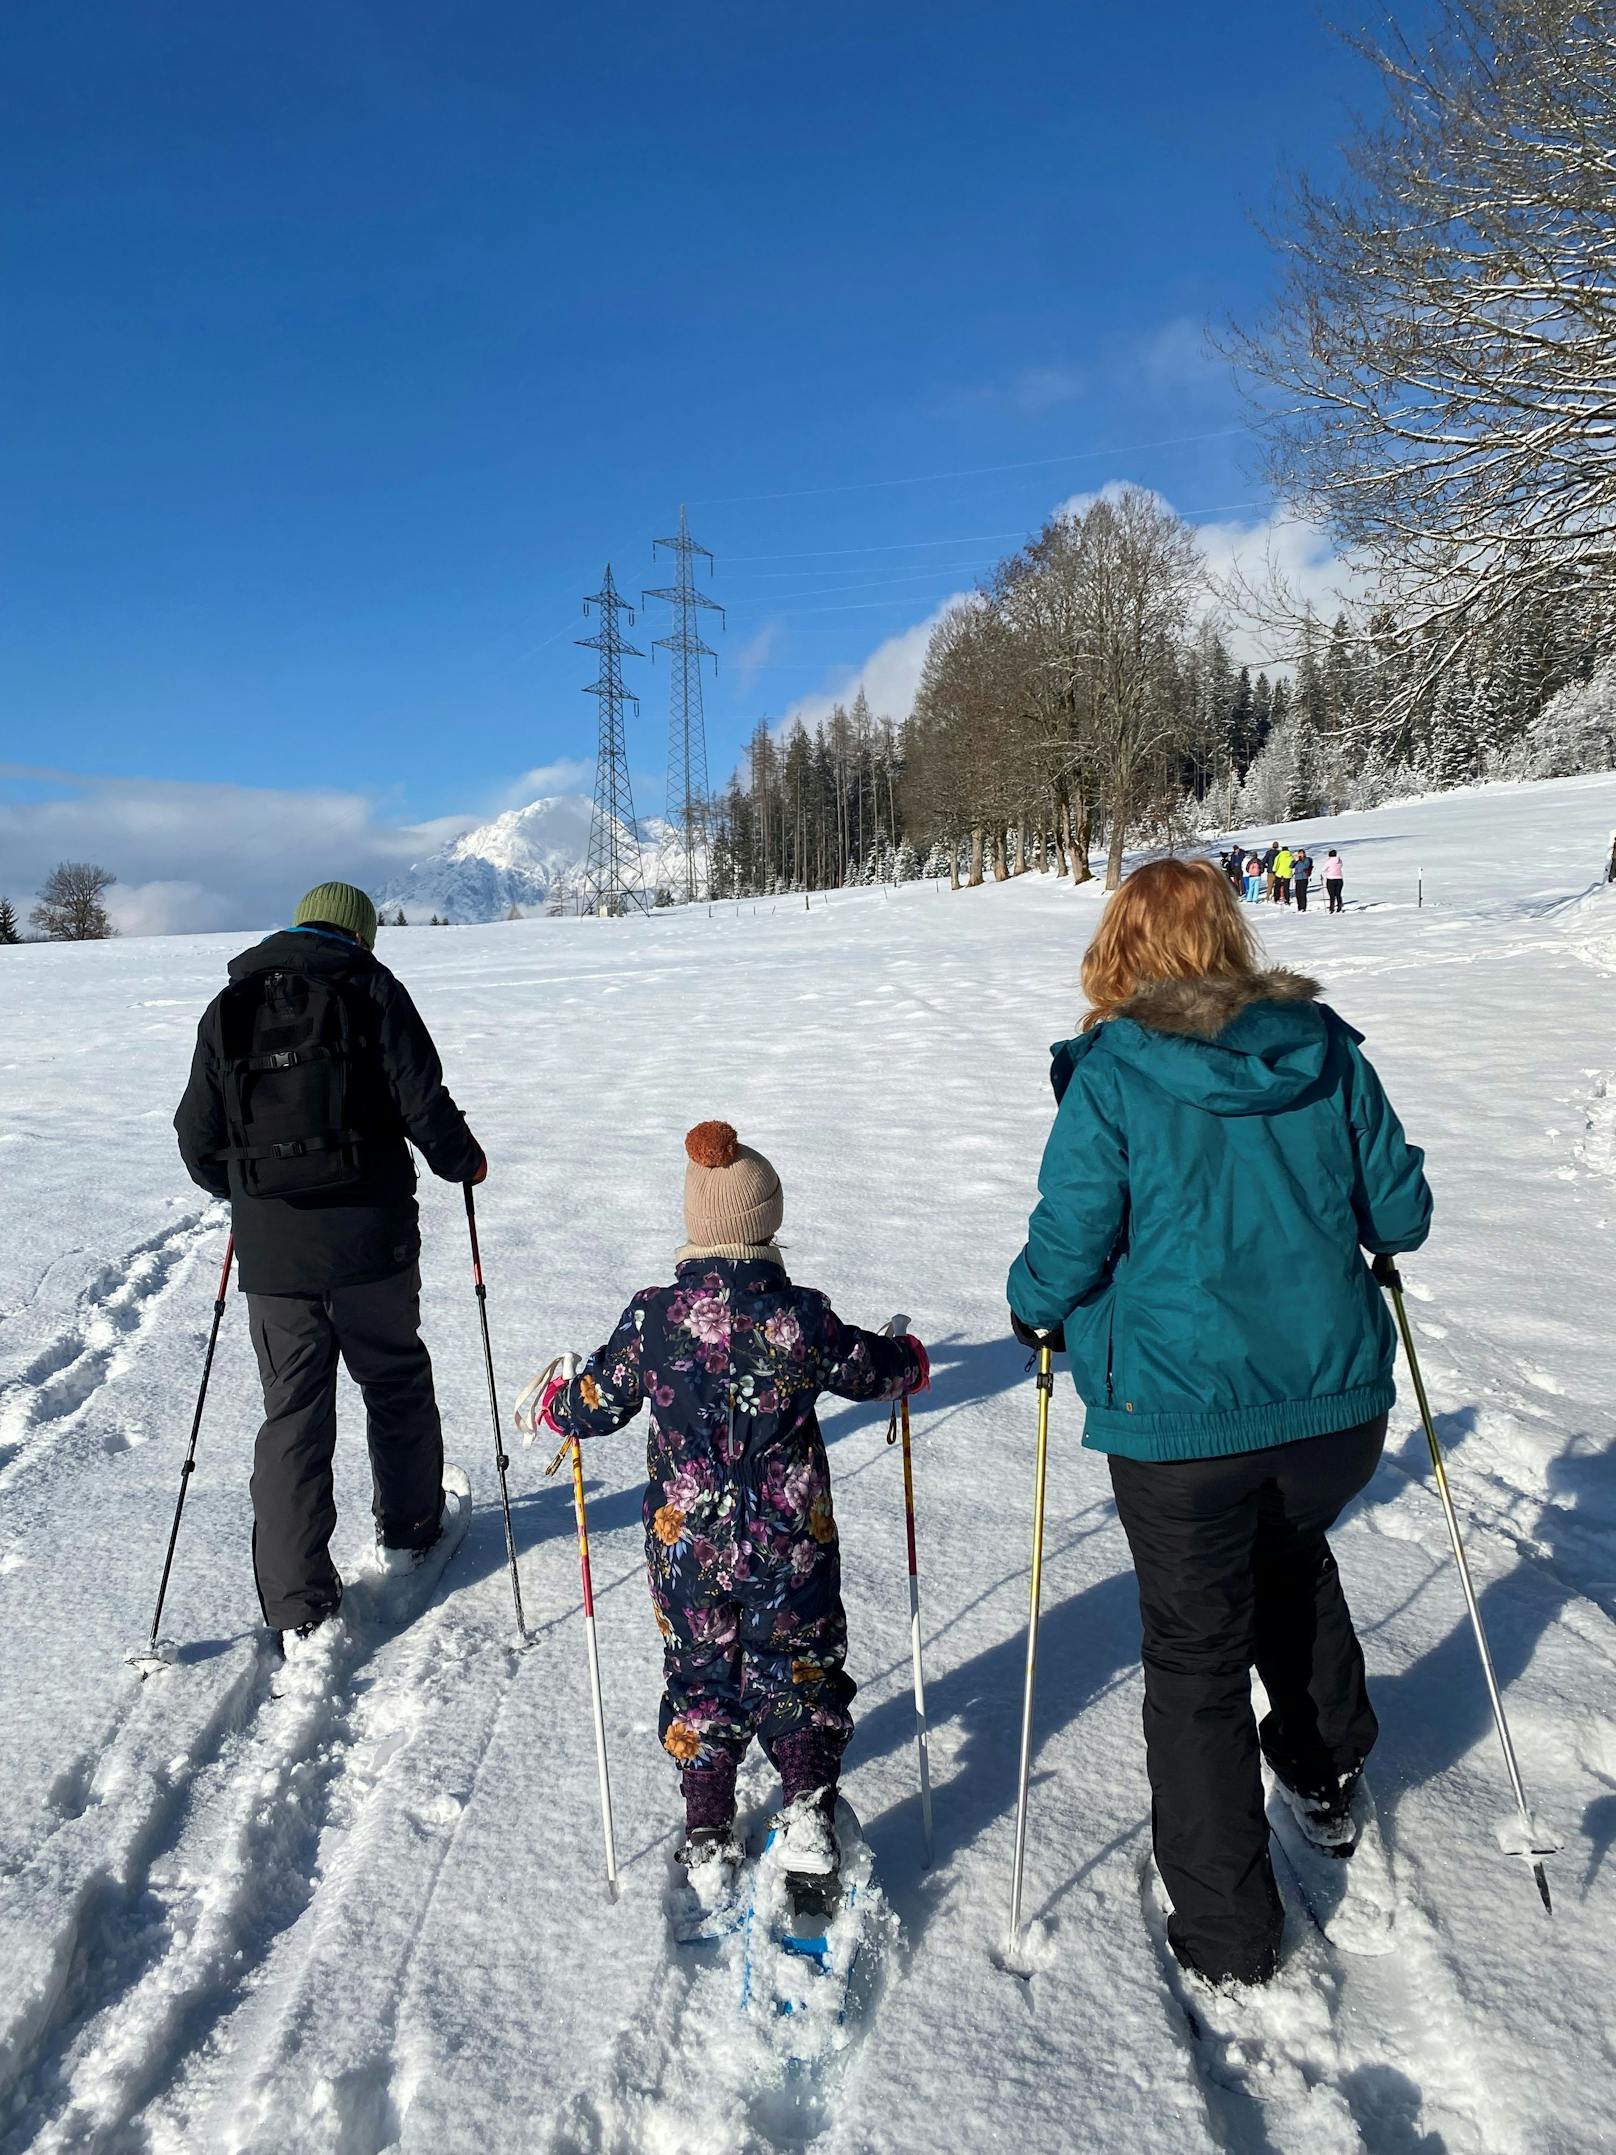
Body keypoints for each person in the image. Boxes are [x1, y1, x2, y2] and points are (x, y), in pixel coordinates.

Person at [1005, 858, 1431, 1990]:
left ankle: (1230, 1933)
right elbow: (1398, 1211)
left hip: (1175, 1415)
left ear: (1120, 949)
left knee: (1194, 1654)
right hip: (1328, 1404)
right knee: (1288, 1560)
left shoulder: (1113, 1070)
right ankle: (1323, 1769)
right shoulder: (1321, 1046)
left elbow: (1074, 1228)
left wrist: (1029, 1307)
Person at [516, 1121, 929, 1898]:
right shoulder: (800, 1316)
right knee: (798, 1664)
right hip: (789, 1544)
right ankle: (805, 1809)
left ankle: (707, 1826)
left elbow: (594, 1404)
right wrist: (908, 1359)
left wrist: (559, 1400)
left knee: (700, 1671)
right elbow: (870, 1368)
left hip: (687, 1551)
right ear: (766, 1221)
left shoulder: (654, 1317)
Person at [174, 880, 485, 1648]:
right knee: (394, 1377)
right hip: (372, 1243)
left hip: (275, 1260)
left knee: (293, 1415)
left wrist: (248, 1194)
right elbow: (422, 1100)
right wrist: (463, 1161)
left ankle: (295, 1603)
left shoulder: (231, 1008)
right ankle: (412, 1527)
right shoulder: (373, 987)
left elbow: (196, 1134)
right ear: (361, 934)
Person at [1324, 849, 1346, 914]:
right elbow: (1341, 866)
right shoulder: (1339, 860)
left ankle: (1332, 908)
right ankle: (1339, 907)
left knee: (1332, 895)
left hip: (1330, 879)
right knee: (1338, 894)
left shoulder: (1329, 861)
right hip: (1339, 878)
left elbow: (1323, 869)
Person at [1291, 848, 1313, 913]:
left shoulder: (1306, 860)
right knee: (1298, 893)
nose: (1300, 855)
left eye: (1301, 853)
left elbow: (1305, 867)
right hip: (1297, 878)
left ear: (1304, 854)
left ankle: (1303, 907)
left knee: (1302, 893)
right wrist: (1295, 860)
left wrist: (1299, 861)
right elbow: (1291, 866)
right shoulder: (1297, 860)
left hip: (1304, 878)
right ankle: (1299, 907)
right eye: (1299, 853)